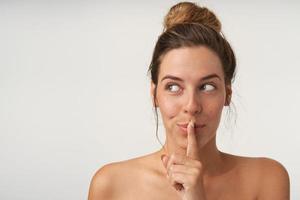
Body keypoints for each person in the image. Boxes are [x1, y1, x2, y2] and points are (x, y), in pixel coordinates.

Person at [88, 2, 290, 199]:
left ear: (227, 94)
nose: (192, 106)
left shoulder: (267, 179)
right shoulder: (111, 185)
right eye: (173, 87)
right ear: (154, 95)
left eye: (207, 87)